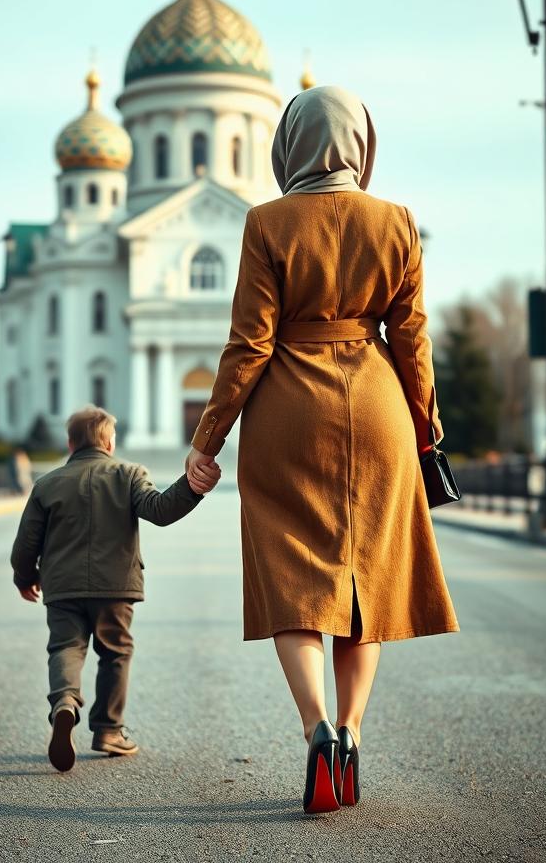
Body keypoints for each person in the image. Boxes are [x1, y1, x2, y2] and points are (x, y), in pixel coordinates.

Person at [184, 85, 459, 814]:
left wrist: (207, 439)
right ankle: (355, 732)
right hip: (378, 408)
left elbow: (249, 345)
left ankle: (316, 729)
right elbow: (413, 339)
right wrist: (425, 423)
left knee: (295, 580)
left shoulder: (267, 221)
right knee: (366, 579)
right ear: (360, 145)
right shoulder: (397, 221)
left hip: (286, 413)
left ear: (289, 146)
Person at [11, 404, 221, 773]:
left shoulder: (47, 483)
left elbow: (27, 541)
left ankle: (64, 701)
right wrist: (192, 486)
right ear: (109, 443)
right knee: (115, 652)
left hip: (62, 586)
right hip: (115, 586)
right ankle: (108, 730)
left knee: (66, 647)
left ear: (70, 442)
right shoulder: (129, 473)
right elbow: (159, 510)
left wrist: (24, 576)